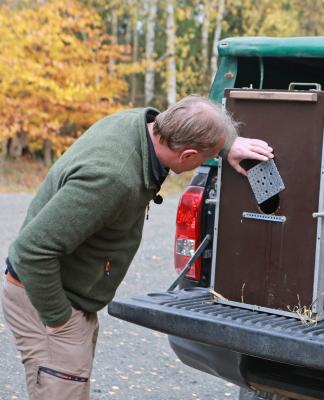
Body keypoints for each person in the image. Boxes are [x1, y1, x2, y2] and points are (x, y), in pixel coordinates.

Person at [1, 95, 273, 399]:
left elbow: (194, 119)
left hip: (67, 294)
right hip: (43, 297)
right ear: (187, 155)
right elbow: (31, 251)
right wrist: (60, 321)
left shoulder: (140, 124)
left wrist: (226, 146)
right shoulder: (113, 178)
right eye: (203, 157)